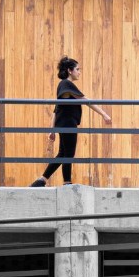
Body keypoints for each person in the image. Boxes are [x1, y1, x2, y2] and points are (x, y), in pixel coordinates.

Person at [29, 56, 112, 186]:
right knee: (68, 154)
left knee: (63, 153)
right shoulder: (66, 84)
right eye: (77, 69)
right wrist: (104, 114)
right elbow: (86, 101)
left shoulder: (62, 85)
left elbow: (57, 108)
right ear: (69, 70)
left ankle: (42, 180)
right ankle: (66, 182)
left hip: (63, 124)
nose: (79, 72)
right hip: (68, 124)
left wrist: (53, 130)